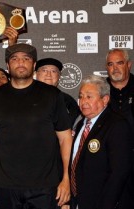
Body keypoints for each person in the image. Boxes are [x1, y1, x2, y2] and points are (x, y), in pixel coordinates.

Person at [0, 43, 73, 209]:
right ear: (8, 65)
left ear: (34, 64)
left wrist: (66, 178)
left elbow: (65, 138)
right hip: (4, 187)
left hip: (45, 187)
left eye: (26, 59)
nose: (20, 63)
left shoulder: (52, 95)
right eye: (15, 59)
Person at [70, 75, 132, 209]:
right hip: (79, 201)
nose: (83, 101)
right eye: (81, 96)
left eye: (89, 96)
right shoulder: (80, 124)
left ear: (105, 99)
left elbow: (119, 172)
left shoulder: (116, 125)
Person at [105, 48, 134, 208]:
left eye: (120, 63)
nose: (115, 68)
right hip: (108, 163)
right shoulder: (99, 91)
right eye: (110, 64)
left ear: (128, 65)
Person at [35, 57, 81, 128]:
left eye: (53, 71)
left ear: (59, 76)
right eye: (44, 70)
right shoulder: (26, 97)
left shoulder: (67, 101)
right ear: (36, 74)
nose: (49, 74)